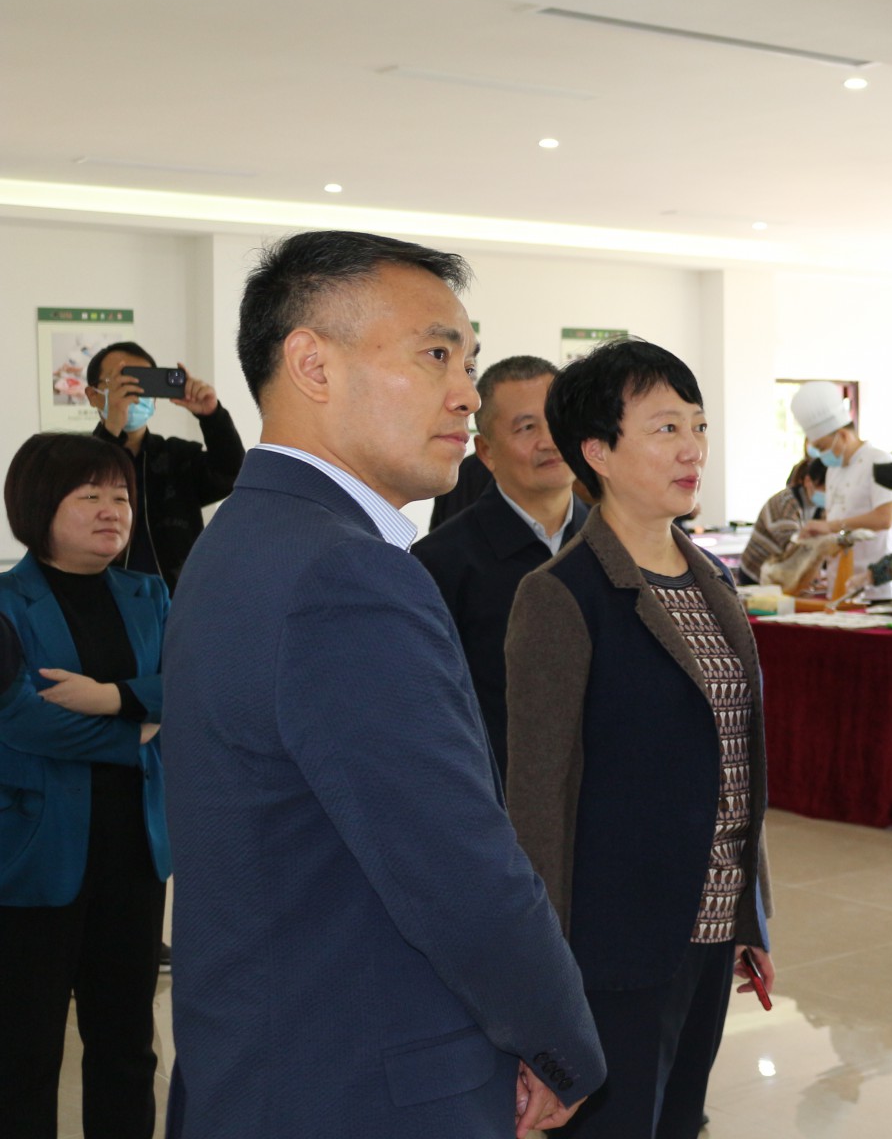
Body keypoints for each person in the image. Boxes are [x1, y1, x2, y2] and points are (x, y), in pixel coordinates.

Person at [162, 230, 603, 1139]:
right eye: (436, 354)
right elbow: (457, 868)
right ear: (312, 365)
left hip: (269, 1060)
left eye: (468, 360)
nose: (466, 393)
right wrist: (559, 1041)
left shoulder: (244, 536)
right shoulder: (345, 573)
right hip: (363, 1080)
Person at [505, 339, 773, 1138]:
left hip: (710, 931)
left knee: (680, 1122)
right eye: (664, 429)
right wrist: (538, 982)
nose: (692, 448)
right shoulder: (561, 595)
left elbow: (732, 757)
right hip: (613, 946)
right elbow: (538, 802)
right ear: (597, 451)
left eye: (697, 426)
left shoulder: (711, 579)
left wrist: (749, 916)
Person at [0, 433, 169, 1139]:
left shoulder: (149, 593)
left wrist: (113, 697)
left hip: (134, 853)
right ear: (39, 506)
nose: (112, 511)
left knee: (126, 1045)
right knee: (24, 1053)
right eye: (90, 495)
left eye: (121, 496)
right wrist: (136, 732)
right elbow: (17, 718)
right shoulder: (8, 602)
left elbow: (192, 689)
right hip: (33, 855)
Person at [414, 355, 588, 778]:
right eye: (527, 428)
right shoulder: (439, 564)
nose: (549, 441)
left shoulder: (616, 546)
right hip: (500, 794)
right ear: (487, 452)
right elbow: (432, 710)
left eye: (558, 421)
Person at [85, 341, 245, 590]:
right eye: (123, 381)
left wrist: (212, 416)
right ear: (94, 395)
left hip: (177, 601)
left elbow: (232, 475)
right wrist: (111, 430)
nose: (135, 392)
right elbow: (84, 488)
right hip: (102, 598)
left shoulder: (177, 457)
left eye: (144, 383)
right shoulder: (74, 461)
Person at [790, 381, 892, 599]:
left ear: (843, 435)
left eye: (822, 447)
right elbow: (837, 520)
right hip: (840, 583)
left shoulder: (881, 461)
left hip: (877, 589)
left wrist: (830, 526)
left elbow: (885, 518)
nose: (821, 454)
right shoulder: (833, 470)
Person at [739, 457, 827, 585]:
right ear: (808, 481)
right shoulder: (786, 503)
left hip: (781, 575)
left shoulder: (820, 508)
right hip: (757, 572)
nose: (827, 493)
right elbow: (792, 547)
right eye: (823, 488)